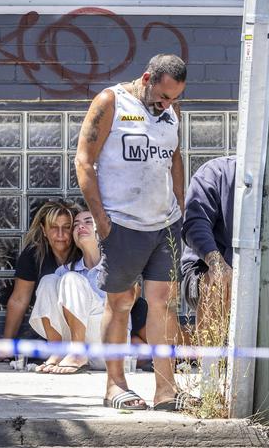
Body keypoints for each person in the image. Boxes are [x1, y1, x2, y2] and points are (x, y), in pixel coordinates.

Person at [76, 53, 192, 411]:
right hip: (122, 224)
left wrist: (181, 206)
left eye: (175, 98)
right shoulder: (111, 101)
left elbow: (175, 157)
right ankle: (115, 386)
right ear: (146, 78)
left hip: (164, 225)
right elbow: (84, 160)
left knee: (163, 305)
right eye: (163, 95)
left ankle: (166, 391)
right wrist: (101, 219)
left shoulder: (170, 112)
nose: (168, 104)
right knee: (121, 302)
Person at [0, 200, 82, 362]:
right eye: (54, 228)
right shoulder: (33, 255)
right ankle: (58, 352)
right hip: (53, 332)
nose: (60, 235)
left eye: (67, 227)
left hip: (85, 330)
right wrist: (7, 344)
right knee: (49, 282)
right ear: (44, 230)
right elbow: (19, 299)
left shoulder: (84, 252)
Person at [30, 210, 106, 374]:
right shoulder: (63, 271)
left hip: (107, 348)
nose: (81, 226)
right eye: (76, 224)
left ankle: (78, 352)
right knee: (48, 281)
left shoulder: (118, 267)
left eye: (88, 222)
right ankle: (58, 350)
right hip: (69, 354)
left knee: (71, 278)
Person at [181, 156, 235, 343]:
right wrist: (217, 263)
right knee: (218, 281)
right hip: (206, 267)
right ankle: (212, 367)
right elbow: (194, 224)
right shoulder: (216, 172)